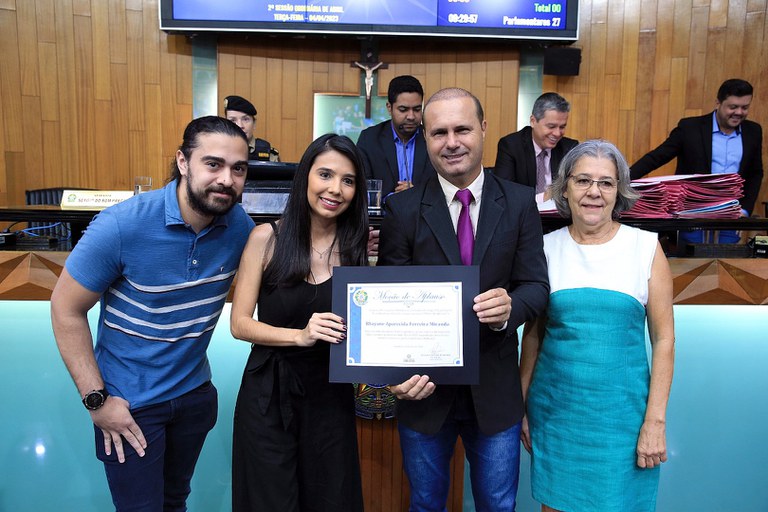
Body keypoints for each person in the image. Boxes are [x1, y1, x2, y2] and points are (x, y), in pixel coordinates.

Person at [50, 116, 255, 511]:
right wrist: (97, 400)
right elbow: (65, 308)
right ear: (183, 162)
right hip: (130, 405)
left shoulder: (239, 228)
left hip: (194, 398)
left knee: (175, 502)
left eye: (238, 169)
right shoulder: (121, 225)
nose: (226, 179)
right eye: (213, 164)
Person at [378, 88, 549, 511]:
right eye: (439, 132)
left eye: (462, 129)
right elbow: (388, 300)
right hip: (423, 391)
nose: (451, 142)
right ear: (426, 138)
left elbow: (535, 286)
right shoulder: (402, 209)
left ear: (483, 129)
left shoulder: (519, 202)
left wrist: (510, 309)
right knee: (426, 504)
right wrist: (393, 375)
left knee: (498, 505)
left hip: (495, 389)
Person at [520, 140, 675, 512]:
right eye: (583, 180)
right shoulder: (545, 249)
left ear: (619, 191)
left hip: (622, 422)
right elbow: (534, 336)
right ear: (565, 188)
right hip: (557, 418)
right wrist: (519, 406)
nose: (594, 192)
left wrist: (655, 421)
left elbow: (664, 340)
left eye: (606, 182)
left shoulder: (646, 248)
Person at [229, 133, 369, 511]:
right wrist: (300, 335)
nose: (335, 189)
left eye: (348, 180)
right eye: (325, 174)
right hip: (269, 395)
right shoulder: (266, 238)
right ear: (305, 175)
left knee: (331, 499)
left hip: (331, 397)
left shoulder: (357, 250)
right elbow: (239, 324)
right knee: (270, 500)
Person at [630, 78, 764, 243]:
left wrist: (745, 210)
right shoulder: (690, 128)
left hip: (731, 214)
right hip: (692, 213)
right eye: (733, 107)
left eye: (745, 107)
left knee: (726, 256)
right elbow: (657, 157)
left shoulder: (753, 131)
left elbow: (755, 173)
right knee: (693, 255)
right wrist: (623, 179)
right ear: (718, 103)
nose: (739, 112)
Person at [356, 75, 436, 198]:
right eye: (403, 110)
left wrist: (415, 193)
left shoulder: (433, 139)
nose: (411, 116)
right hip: (383, 210)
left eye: (417, 109)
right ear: (389, 108)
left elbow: (442, 186)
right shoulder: (369, 139)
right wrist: (393, 199)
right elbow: (361, 188)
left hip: (424, 209)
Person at [493, 92, 579, 202]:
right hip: (522, 210)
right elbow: (503, 192)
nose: (557, 133)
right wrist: (543, 198)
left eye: (562, 127)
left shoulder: (570, 148)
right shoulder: (511, 146)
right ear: (533, 121)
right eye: (551, 126)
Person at [224, 94, 280, 161]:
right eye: (233, 120)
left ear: (254, 123)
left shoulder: (269, 154)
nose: (240, 125)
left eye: (245, 119)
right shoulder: (218, 150)